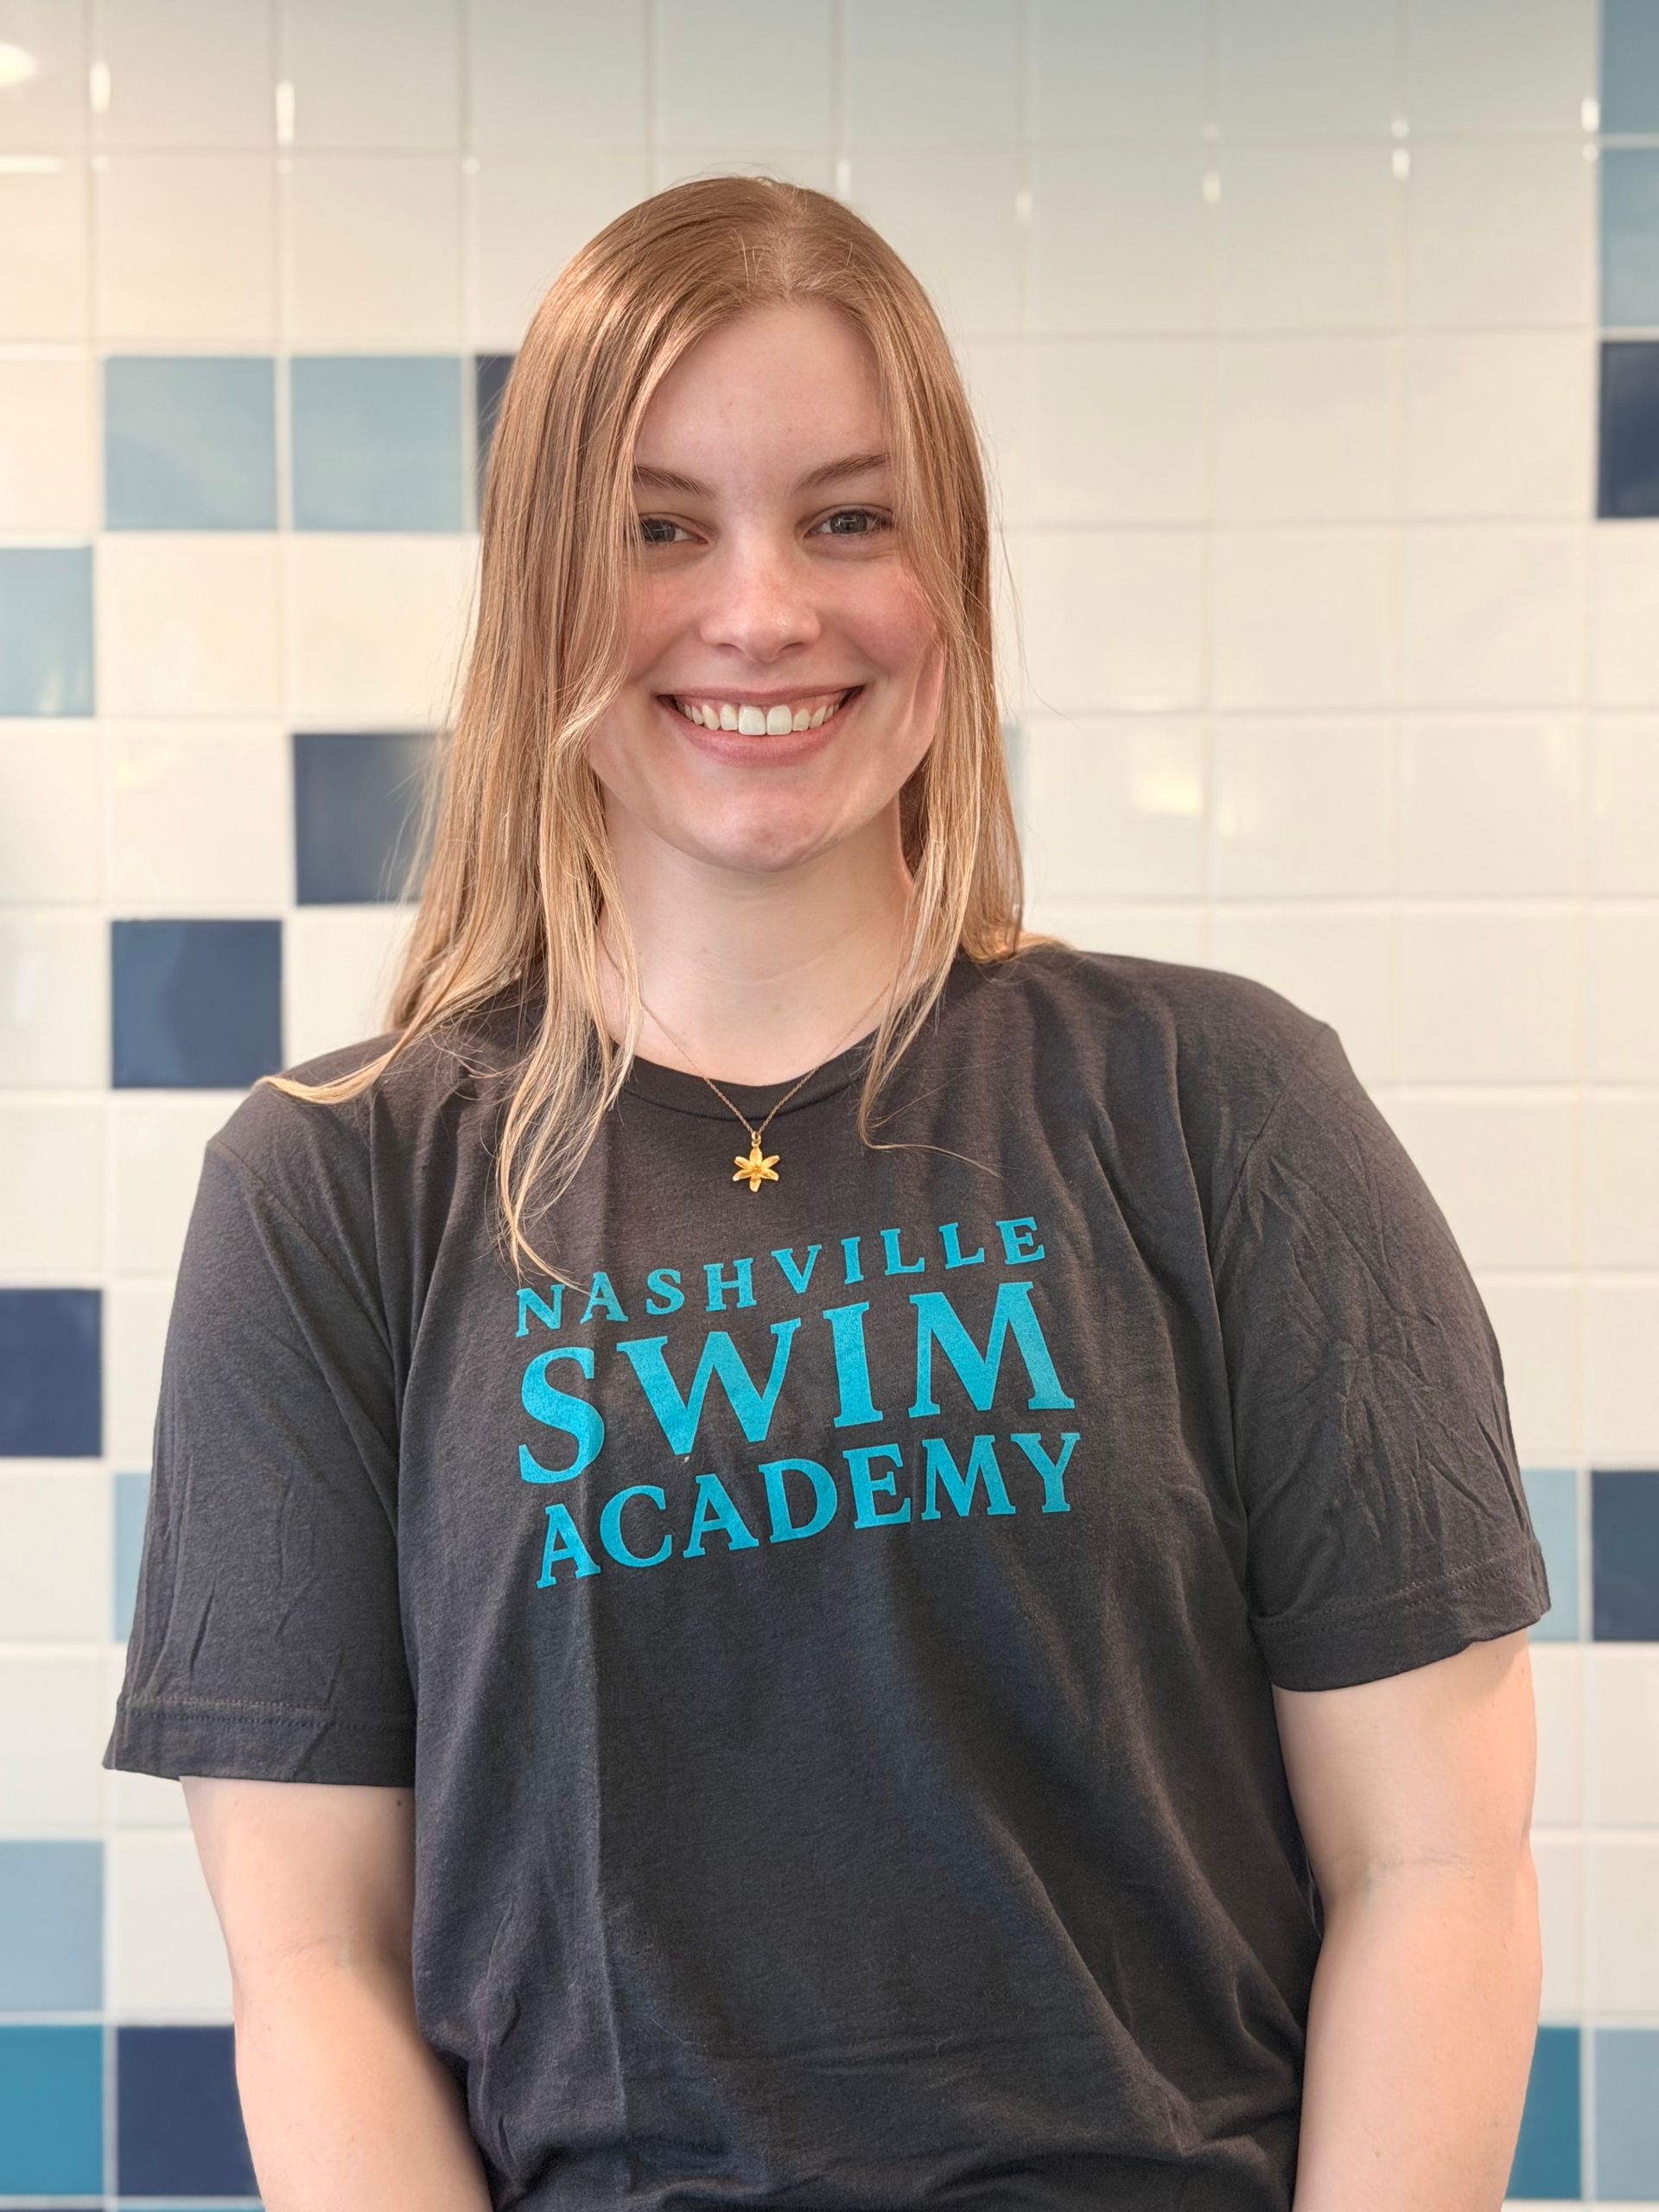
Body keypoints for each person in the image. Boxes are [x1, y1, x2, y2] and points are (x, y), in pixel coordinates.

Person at [103, 174, 1551, 2210]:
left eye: (849, 518)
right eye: (660, 528)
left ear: (950, 567)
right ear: (541, 589)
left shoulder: (1225, 1106)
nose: (762, 609)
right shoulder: (332, 1194)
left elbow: (1439, 1863)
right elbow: (315, 1965)